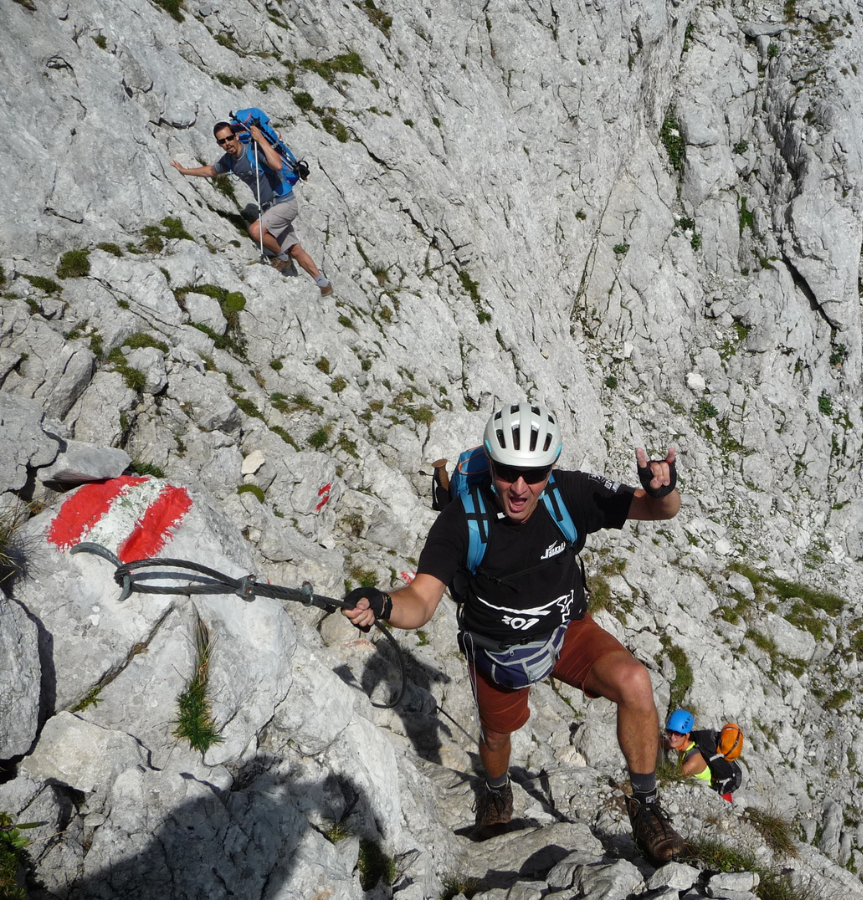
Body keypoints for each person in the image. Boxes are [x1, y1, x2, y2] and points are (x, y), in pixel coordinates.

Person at [342, 401, 686, 864]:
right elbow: (421, 600)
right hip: (497, 651)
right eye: (507, 472)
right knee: (497, 738)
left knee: (635, 682)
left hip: (566, 629)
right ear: (492, 465)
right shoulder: (463, 519)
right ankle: (497, 788)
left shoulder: (570, 494)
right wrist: (383, 602)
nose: (520, 487)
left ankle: (645, 807)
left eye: (535, 473)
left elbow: (658, 511)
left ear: (551, 468)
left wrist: (662, 490)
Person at [171, 121, 333, 296]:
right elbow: (210, 171)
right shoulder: (229, 161)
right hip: (269, 208)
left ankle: (282, 258)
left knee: (256, 231)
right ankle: (323, 284)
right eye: (222, 141)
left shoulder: (253, 151)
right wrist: (184, 170)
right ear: (219, 144)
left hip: (285, 202)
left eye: (229, 138)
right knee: (295, 249)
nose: (227, 143)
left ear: (237, 136)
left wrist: (261, 139)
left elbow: (277, 165)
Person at [662, 709, 742, 802]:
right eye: (669, 731)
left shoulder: (693, 762)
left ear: (687, 735)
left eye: (677, 733)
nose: (672, 737)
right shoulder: (687, 741)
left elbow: (671, 777)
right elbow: (667, 743)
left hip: (718, 798)